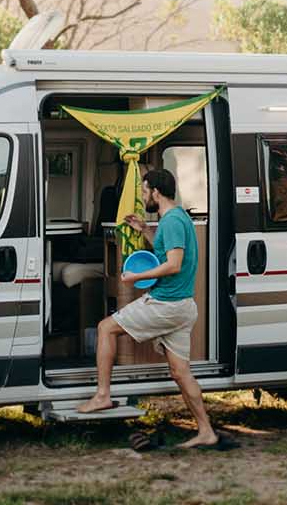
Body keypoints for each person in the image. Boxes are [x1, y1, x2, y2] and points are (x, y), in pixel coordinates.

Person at [74, 169, 217, 449]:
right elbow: (166, 252)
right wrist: (145, 231)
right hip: (183, 306)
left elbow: (173, 265)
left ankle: (103, 395)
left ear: (156, 192)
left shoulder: (172, 221)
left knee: (106, 328)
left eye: (143, 190)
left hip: (167, 304)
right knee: (180, 373)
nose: (142, 195)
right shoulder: (175, 218)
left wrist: (134, 278)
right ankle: (206, 432)